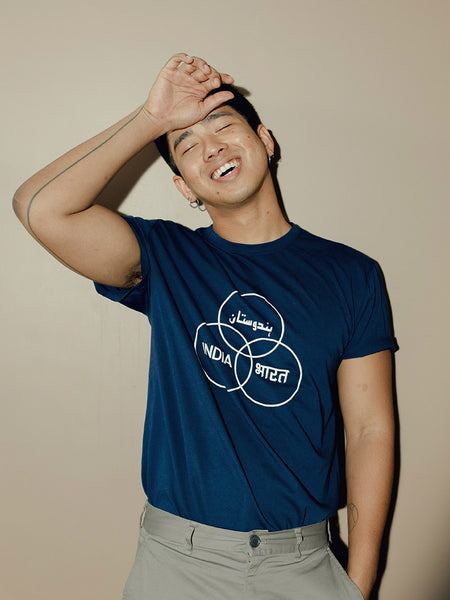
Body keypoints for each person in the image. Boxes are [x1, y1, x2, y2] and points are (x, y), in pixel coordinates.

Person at [13, 53, 397, 600]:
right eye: (187, 144)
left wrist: (359, 582)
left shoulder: (352, 275)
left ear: (265, 140)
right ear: (184, 187)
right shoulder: (165, 257)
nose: (211, 147)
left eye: (222, 126)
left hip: (305, 565)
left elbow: (369, 431)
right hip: (178, 565)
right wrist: (151, 118)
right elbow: (39, 207)